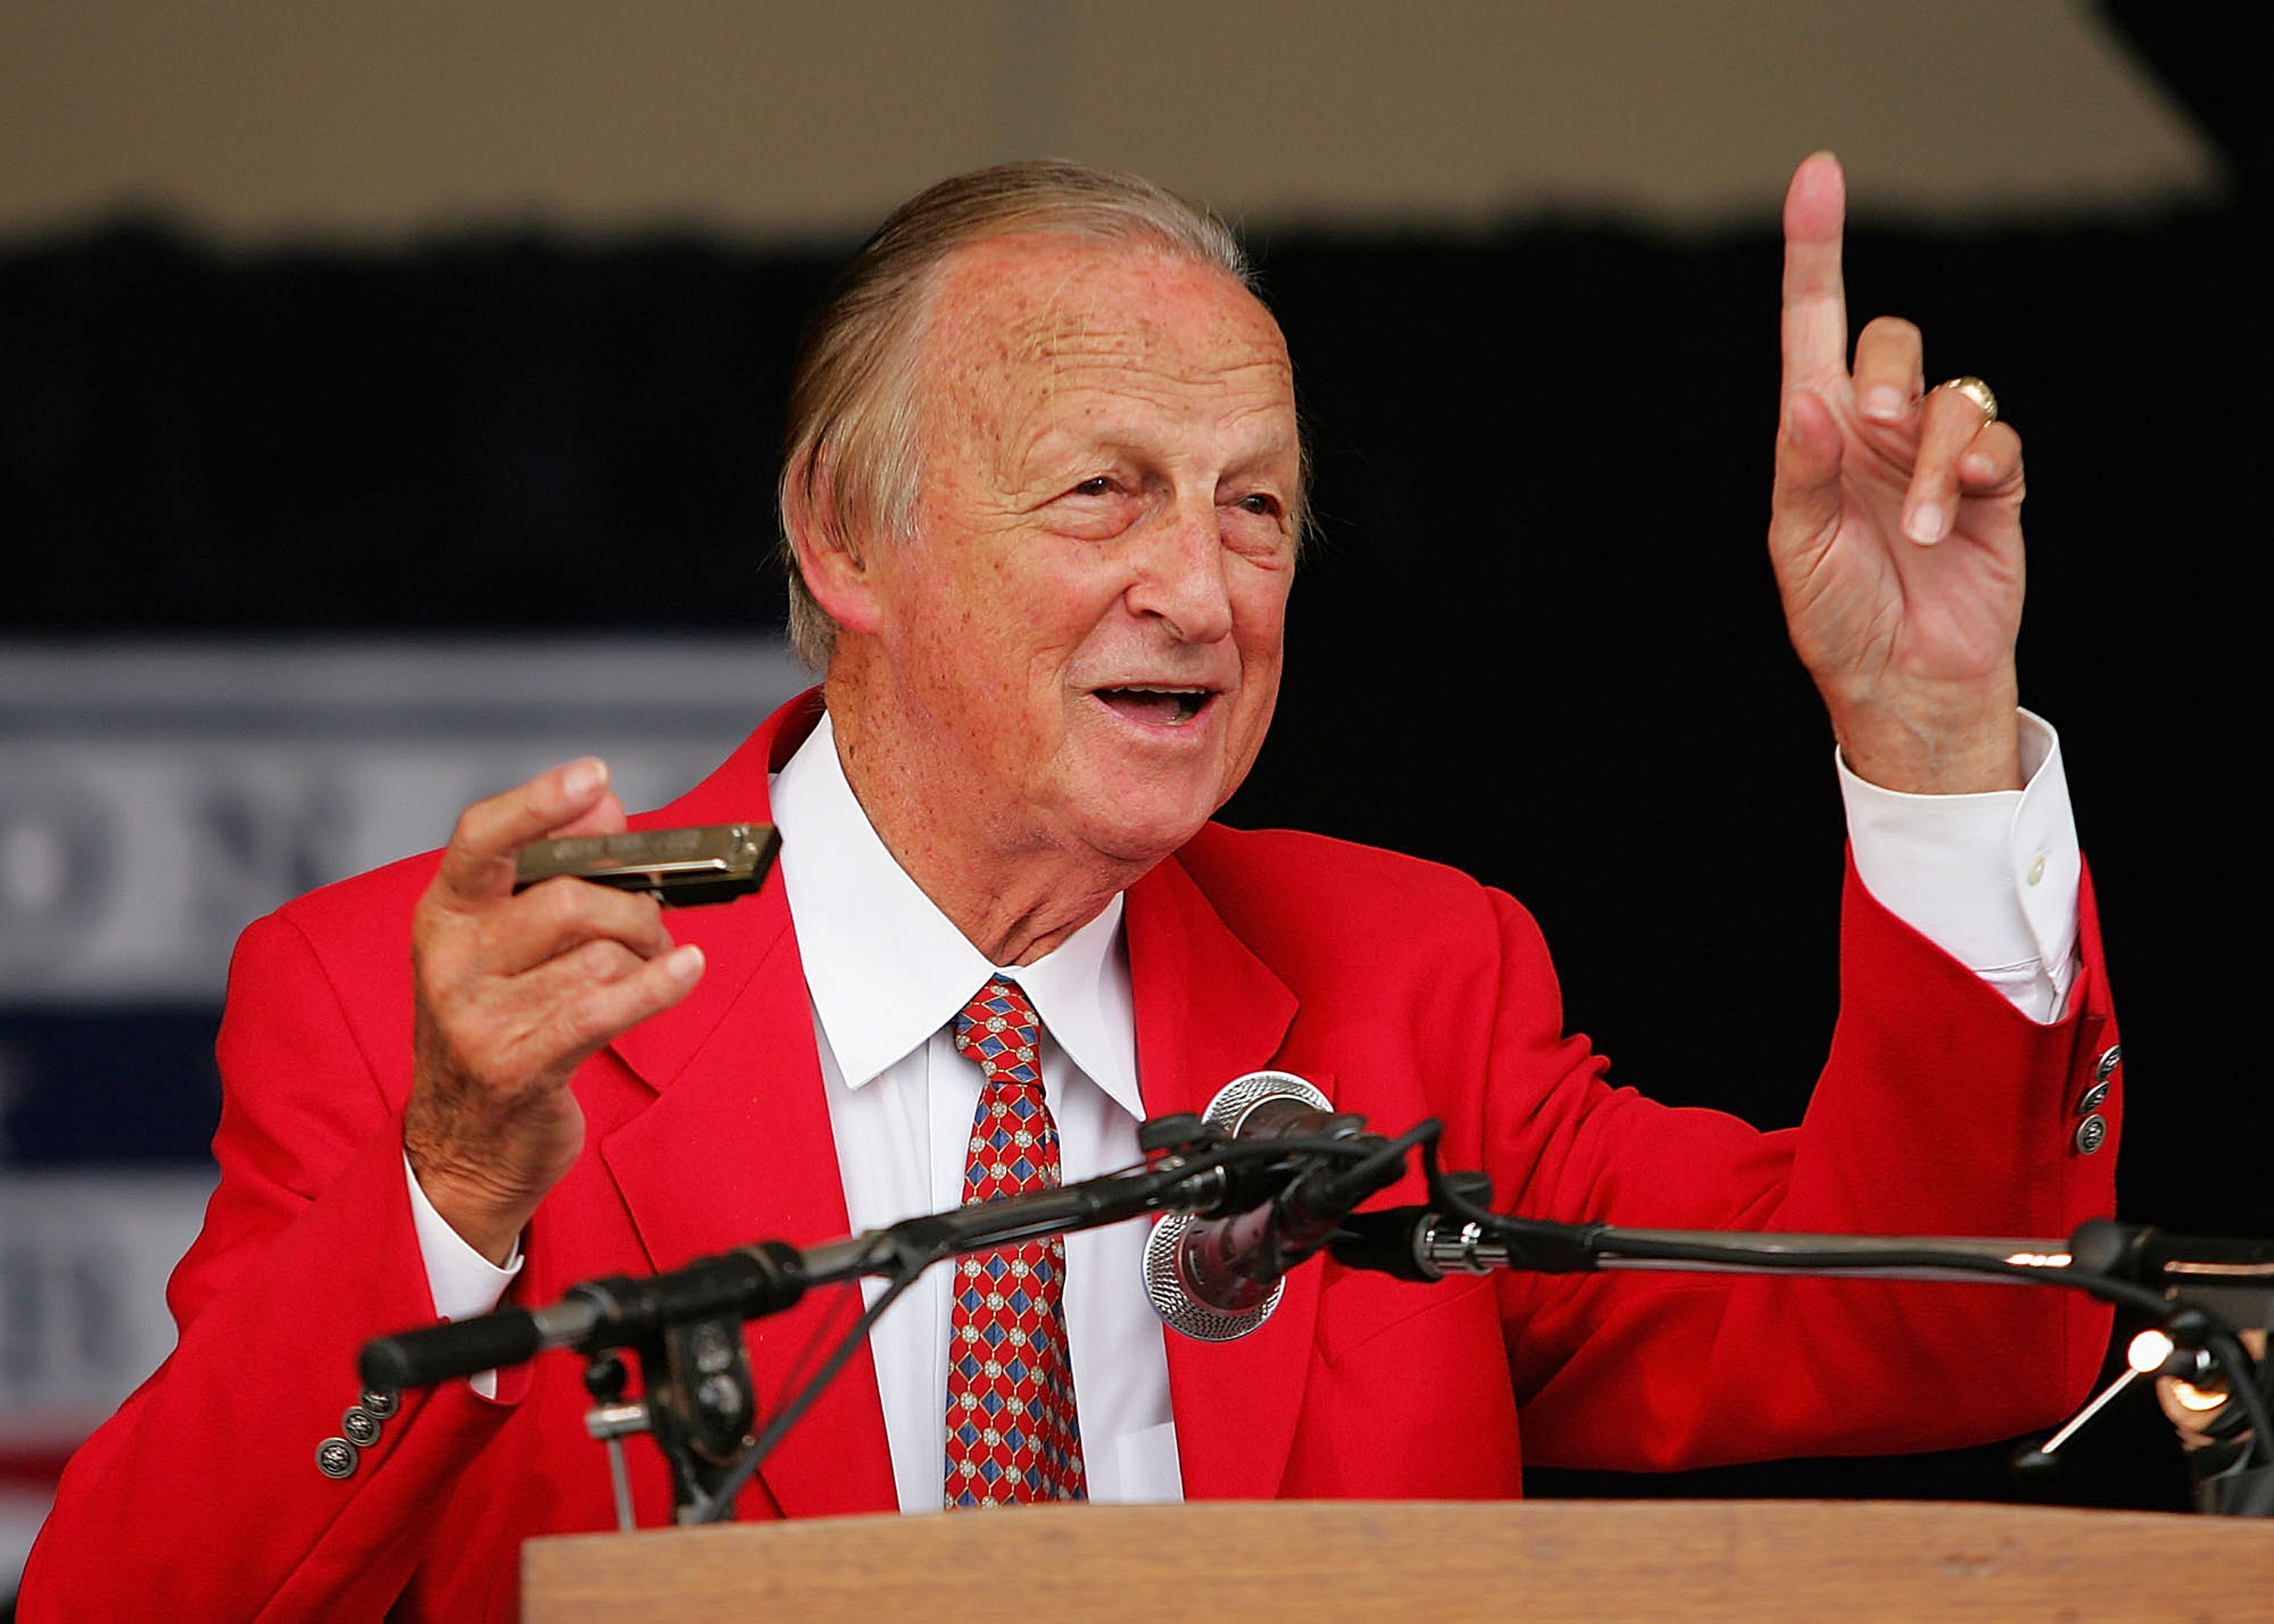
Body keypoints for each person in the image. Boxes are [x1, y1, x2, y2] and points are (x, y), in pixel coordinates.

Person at [20, 154, 2121, 1621]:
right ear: (848, 535)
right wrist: (459, 1186)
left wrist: (1930, 733)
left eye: (1258, 507)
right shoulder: (455, 1017)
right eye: (1102, 490)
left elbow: (1942, 1331)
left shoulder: (1410, 989)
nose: (1198, 589)